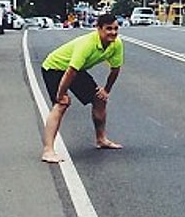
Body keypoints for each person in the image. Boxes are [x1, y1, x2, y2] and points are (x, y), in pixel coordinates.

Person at [39, 13, 124, 164]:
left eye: (116, 29)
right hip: (54, 67)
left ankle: (101, 139)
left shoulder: (116, 44)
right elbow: (71, 71)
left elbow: (115, 69)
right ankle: (48, 151)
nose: (113, 32)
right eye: (108, 29)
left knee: (100, 98)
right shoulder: (87, 44)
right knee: (61, 104)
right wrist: (61, 94)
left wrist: (106, 90)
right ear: (98, 29)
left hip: (74, 70)